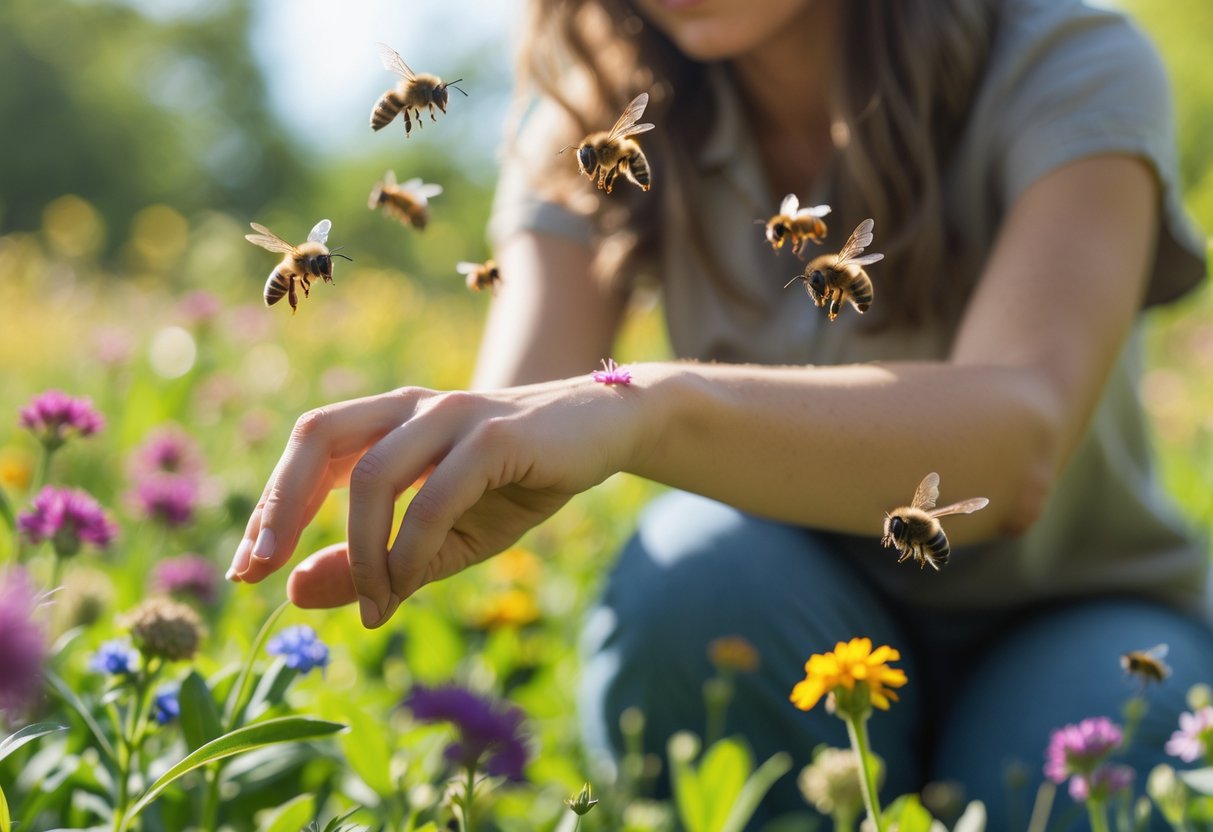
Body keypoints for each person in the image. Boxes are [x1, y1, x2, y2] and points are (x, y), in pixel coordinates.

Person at [227, 0, 1213, 826]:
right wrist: (450, 449)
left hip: (1068, 610)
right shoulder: (594, 105)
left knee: (1097, 750)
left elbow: (1016, 444)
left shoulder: (1060, 55)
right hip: (780, 597)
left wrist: (645, 406)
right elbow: (521, 395)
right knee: (691, 579)